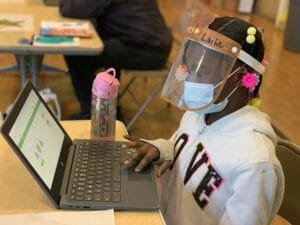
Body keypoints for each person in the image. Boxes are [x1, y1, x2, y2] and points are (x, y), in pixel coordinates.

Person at [122, 15, 285, 225]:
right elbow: (188, 149)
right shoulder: (200, 112)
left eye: (203, 71)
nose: (190, 78)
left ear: (239, 75)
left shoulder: (255, 163)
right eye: (191, 67)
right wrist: (163, 149)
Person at [59, 0, 173, 119]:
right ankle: (109, 109)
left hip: (146, 50)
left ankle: (93, 114)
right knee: (100, 45)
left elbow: (71, 9)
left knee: (77, 51)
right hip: (150, 44)